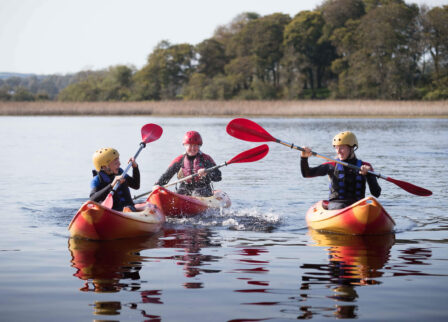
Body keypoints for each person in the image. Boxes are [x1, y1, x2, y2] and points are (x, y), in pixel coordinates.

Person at [300, 131, 381, 210]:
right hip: (337, 205)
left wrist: (369, 175)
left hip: (358, 205)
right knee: (341, 206)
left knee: (370, 204)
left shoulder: (366, 166)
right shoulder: (331, 165)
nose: (338, 151)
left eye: (342, 147)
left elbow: (376, 193)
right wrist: (304, 158)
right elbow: (306, 174)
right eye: (336, 147)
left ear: (351, 148)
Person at [154, 131, 221, 197]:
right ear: (185, 145)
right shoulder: (179, 160)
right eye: (190, 145)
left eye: (195, 145)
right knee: (179, 193)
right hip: (184, 188)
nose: (192, 148)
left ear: (199, 146)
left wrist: (207, 172)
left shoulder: (206, 159)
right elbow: (167, 176)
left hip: (203, 188)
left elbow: (218, 177)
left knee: (197, 193)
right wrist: (157, 185)